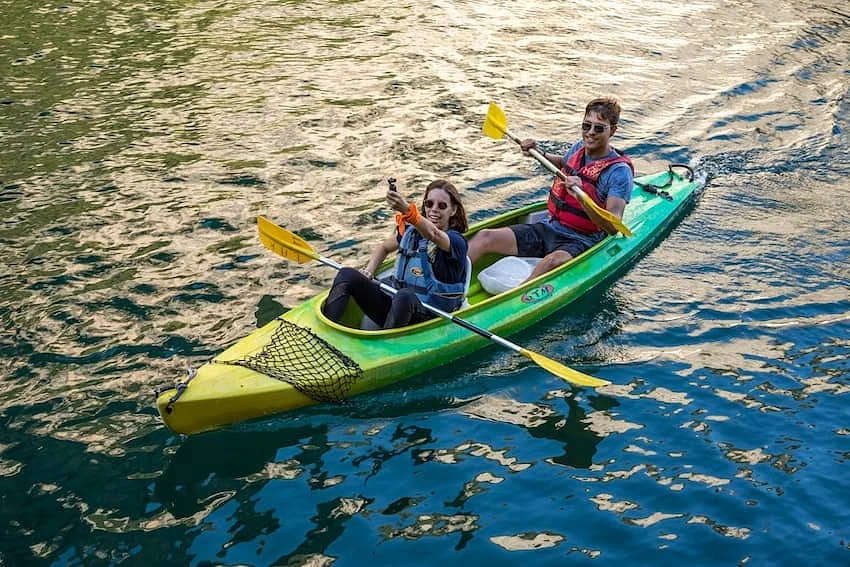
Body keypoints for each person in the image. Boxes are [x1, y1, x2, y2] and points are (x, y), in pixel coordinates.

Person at [468, 97, 634, 282]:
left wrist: (581, 198)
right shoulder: (579, 147)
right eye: (586, 126)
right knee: (484, 237)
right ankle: (445, 285)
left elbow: (612, 226)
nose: (591, 133)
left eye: (599, 128)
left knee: (550, 262)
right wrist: (537, 153)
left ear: (613, 130)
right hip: (550, 228)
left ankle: (512, 302)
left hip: (581, 240)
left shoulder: (619, 172)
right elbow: (563, 163)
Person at [322, 179, 469, 329]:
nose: (434, 210)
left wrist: (406, 209)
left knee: (405, 296)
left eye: (442, 206)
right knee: (347, 274)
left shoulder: (457, 242)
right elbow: (384, 247)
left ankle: (385, 343)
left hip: (430, 315)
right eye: (429, 204)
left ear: (453, 210)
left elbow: (434, 234)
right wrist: (369, 271)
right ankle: (324, 332)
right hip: (397, 310)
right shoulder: (413, 233)